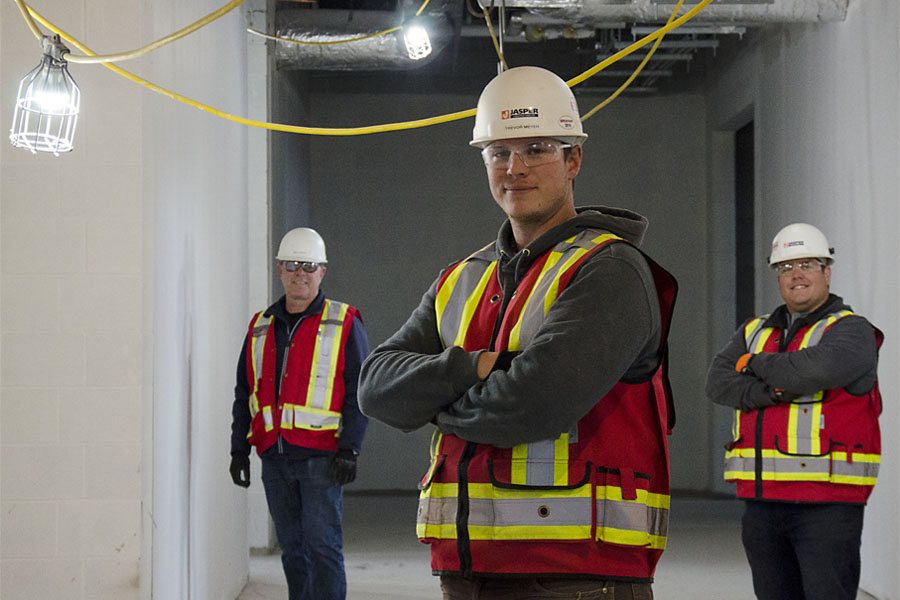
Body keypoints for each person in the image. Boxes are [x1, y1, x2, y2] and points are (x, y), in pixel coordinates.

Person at [358, 66, 678, 600]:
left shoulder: (610, 270)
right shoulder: (461, 279)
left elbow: (531, 406)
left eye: (537, 149)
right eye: (499, 152)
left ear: (573, 158)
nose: (515, 168)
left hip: (576, 576)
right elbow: (374, 385)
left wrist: (430, 399)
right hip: (469, 570)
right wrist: (475, 368)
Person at [706, 223, 882, 600]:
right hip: (762, 505)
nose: (796, 274)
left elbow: (814, 370)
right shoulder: (754, 329)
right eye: (786, 267)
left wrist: (752, 363)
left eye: (807, 264)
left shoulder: (852, 332)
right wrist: (772, 391)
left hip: (828, 507)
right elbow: (718, 382)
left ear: (826, 271)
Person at [229, 227, 369, 600]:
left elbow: (360, 391)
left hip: (322, 460)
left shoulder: (344, 322)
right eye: (291, 265)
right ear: (279, 270)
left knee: (323, 549)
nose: (299, 274)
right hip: (274, 459)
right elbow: (245, 393)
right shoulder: (261, 326)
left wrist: (350, 449)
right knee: (293, 552)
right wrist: (238, 450)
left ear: (322, 271)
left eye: (308, 266)